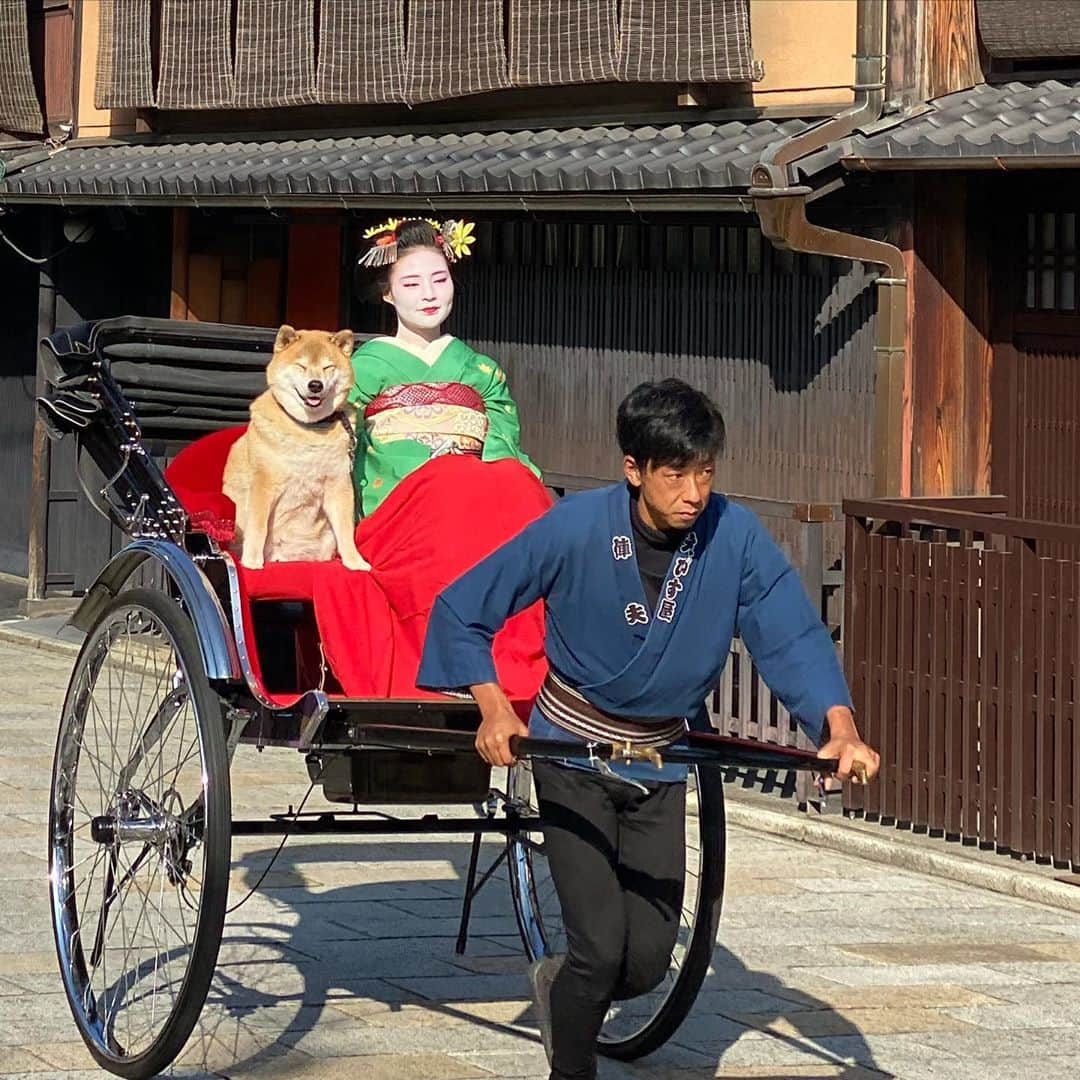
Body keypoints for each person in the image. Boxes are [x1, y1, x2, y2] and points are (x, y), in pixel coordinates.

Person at [416, 378, 880, 1080]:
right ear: (633, 469)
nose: (694, 491)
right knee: (600, 950)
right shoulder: (576, 526)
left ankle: (557, 984)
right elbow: (465, 609)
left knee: (645, 962)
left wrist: (837, 726)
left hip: (662, 762)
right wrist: (493, 707)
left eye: (705, 472)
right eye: (675, 473)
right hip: (571, 755)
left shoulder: (735, 535)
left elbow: (791, 635)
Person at [349, 216, 539, 516]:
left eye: (440, 279)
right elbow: (340, 450)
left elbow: (502, 452)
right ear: (387, 293)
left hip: (469, 510)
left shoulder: (481, 371)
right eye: (411, 284)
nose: (429, 294)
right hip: (389, 515)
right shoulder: (363, 370)